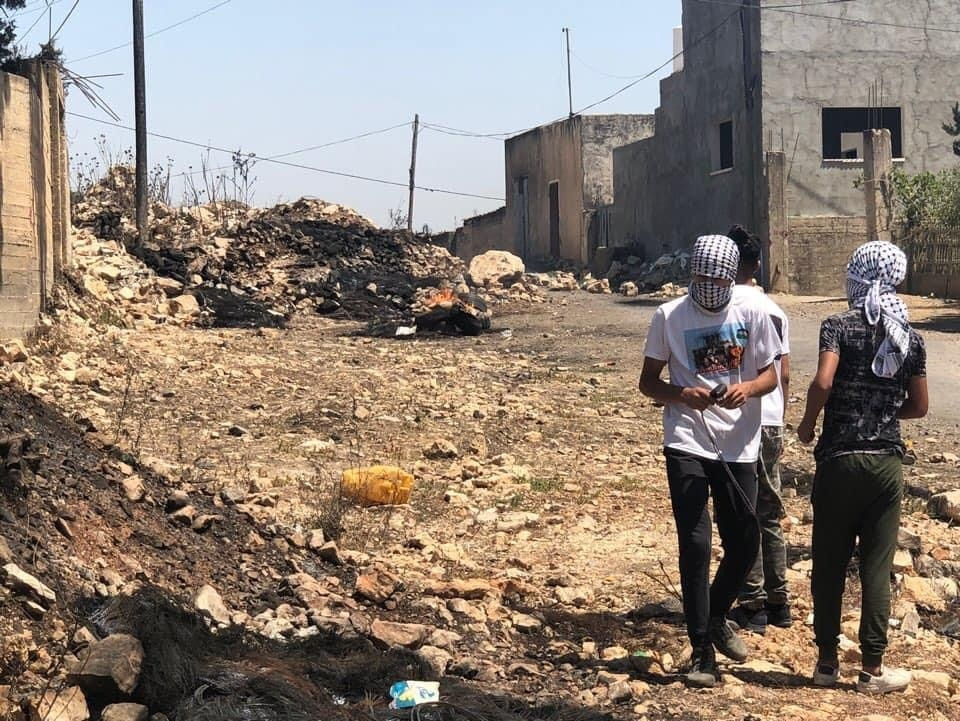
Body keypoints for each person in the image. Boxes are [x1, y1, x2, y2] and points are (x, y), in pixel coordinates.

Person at [639, 234, 781, 688]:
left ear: (731, 278)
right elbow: (648, 382)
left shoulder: (753, 312)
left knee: (745, 540)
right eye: (702, 278)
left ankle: (717, 615)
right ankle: (701, 650)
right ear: (693, 274)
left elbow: (773, 374)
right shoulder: (669, 316)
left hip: (739, 442)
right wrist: (683, 394)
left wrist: (747, 389)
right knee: (695, 542)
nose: (710, 287)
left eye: (719, 280)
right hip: (686, 438)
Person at [797, 240, 928, 694]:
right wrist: (884, 413)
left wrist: (809, 424)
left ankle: (826, 663)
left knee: (829, 563)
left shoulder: (837, 326)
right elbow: (920, 406)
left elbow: (823, 381)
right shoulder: (909, 338)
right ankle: (872, 669)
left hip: (839, 460)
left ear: (855, 277)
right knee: (876, 566)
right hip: (885, 465)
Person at [726, 226, 793, 634]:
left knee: (742, 513)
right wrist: (780, 419)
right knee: (769, 512)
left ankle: (752, 604)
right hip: (770, 420)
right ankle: (779, 601)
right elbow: (783, 373)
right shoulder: (775, 310)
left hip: (737, 419)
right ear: (757, 264)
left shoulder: (726, 307)